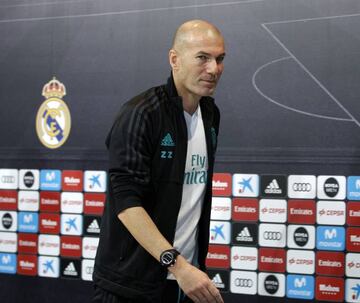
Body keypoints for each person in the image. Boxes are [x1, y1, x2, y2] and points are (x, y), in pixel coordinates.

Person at [93, 19, 226, 303]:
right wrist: (176, 264)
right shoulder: (140, 113)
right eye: (202, 57)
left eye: (219, 59)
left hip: (186, 280)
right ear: (174, 59)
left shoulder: (211, 114)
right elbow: (126, 203)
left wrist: (187, 270)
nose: (213, 69)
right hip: (130, 286)